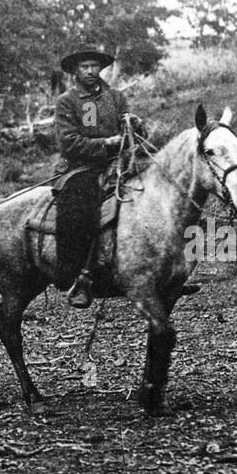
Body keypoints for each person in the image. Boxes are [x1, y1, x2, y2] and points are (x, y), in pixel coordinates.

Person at [52, 44, 142, 309]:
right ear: (75, 72)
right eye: (85, 67)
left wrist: (135, 126)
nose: (91, 71)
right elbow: (69, 142)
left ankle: (163, 271)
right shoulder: (67, 101)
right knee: (82, 211)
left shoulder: (115, 97)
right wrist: (108, 143)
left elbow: (133, 132)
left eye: (94, 66)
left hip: (120, 164)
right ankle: (81, 277)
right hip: (81, 167)